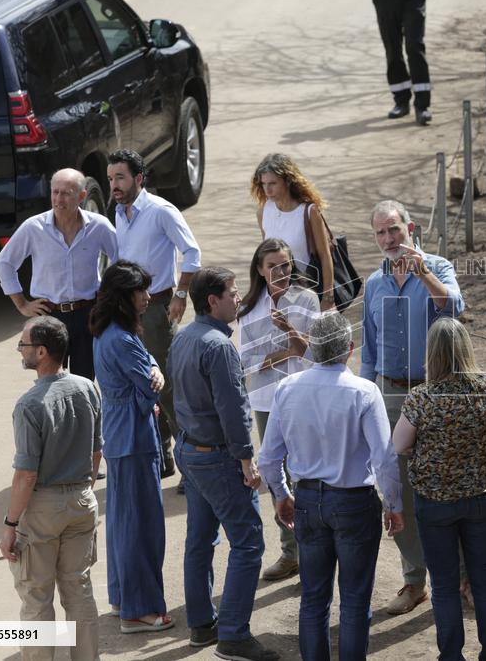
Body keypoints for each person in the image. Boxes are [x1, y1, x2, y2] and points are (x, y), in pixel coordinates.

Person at [259, 311, 405, 661]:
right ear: (350, 348)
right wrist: (394, 504)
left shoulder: (287, 388)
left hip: (308, 500)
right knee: (354, 600)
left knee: (313, 599)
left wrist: (281, 494)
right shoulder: (364, 392)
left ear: (312, 346)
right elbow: (384, 459)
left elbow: (268, 457)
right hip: (354, 502)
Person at [169, 267, 281, 660]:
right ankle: (233, 635)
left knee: (200, 539)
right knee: (248, 543)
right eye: (232, 293)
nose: (238, 298)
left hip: (191, 451)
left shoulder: (184, 337)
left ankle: (202, 625)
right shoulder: (218, 347)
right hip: (216, 457)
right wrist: (246, 459)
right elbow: (233, 409)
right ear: (212, 301)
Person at [360, 198, 464, 615]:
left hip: (435, 390)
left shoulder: (438, 267)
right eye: (380, 232)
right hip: (390, 393)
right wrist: (365, 396)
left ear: (411, 228)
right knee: (397, 487)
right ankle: (414, 579)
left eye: (394, 230)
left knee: (445, 483)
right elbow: (369, 347)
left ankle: (459, 577)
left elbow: (454, 308)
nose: (388, 239)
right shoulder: (374, 284)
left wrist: (423, 273)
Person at [392, 317, 486, 661]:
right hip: (481, 498)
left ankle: (452, 656)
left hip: (436, 503)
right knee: (485, 580)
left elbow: (399, 444)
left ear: (432, 354)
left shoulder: (421, 398)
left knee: (443, 586)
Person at [0, 316, 102, 661]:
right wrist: (82, 489)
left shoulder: (30, 404)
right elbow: (97, 451)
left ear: (41, 352)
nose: (20, 350)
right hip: (82, 501)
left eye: (23, 344)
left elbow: (26, 475)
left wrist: (10, 524)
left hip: (43, 510)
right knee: (79, 591)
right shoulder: (87, 388)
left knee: (37, 598)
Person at [89, 260, 173, 634]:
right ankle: (139, 611)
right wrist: (155, 377)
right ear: (124, 296)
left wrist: (153, 370)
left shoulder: (108, 331)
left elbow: (147, 366)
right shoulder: (122, 338)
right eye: (141, 290)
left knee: (124, 522)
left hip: (120, 435)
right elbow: (149, 387)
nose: (147, 297)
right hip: (135, 438)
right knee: (143, 526)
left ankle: (125, 598)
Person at [109, 148, 201, 479]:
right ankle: (163, 458)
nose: (114, 185)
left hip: (156, 309)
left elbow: (192, 252)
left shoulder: (161, 211)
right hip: (127, 312)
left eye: (120, 177)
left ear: (138, 178)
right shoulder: (119, 212)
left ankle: (192, 464)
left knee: (168, 387)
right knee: (143, 383)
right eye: (111, 178)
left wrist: (181, 294)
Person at [238, 238, 320, 582]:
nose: (280, 271)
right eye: (272, 266)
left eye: (285, 264)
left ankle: (313, 553)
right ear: (260, 270)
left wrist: (289, 333)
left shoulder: (307, 299)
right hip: (266, 402)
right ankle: (290, 553)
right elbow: (246, 362)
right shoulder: (248, 307)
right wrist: (287, 350)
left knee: (305, 475)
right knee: (276, 476)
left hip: (303, 400)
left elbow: (314, 353)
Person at [0, 168, 118, 380]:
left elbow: (121, 261)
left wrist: (108, 297)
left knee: (84, 380)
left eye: (66, 193)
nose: (59, 199)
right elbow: (4, 263)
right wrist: (22, 304)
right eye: (55, 192)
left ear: (81, 196)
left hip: (87, 314)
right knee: (48, 381)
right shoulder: (33, 227)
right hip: (48, 316)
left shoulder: (99, 226)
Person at [251, 153, 335, 312]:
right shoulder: (263, 211)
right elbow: (266, 256)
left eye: (273, 183)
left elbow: (325, 256)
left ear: (288, 181)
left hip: (307, 294)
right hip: (276, 297)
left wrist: (328, 298)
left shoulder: (309, 212)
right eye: (263, 184)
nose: (267, 190)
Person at [372, 0, 432, 125]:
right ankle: (401, 101)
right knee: (392, 50)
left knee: (414, 46)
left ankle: (422, 106)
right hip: (385, 0)